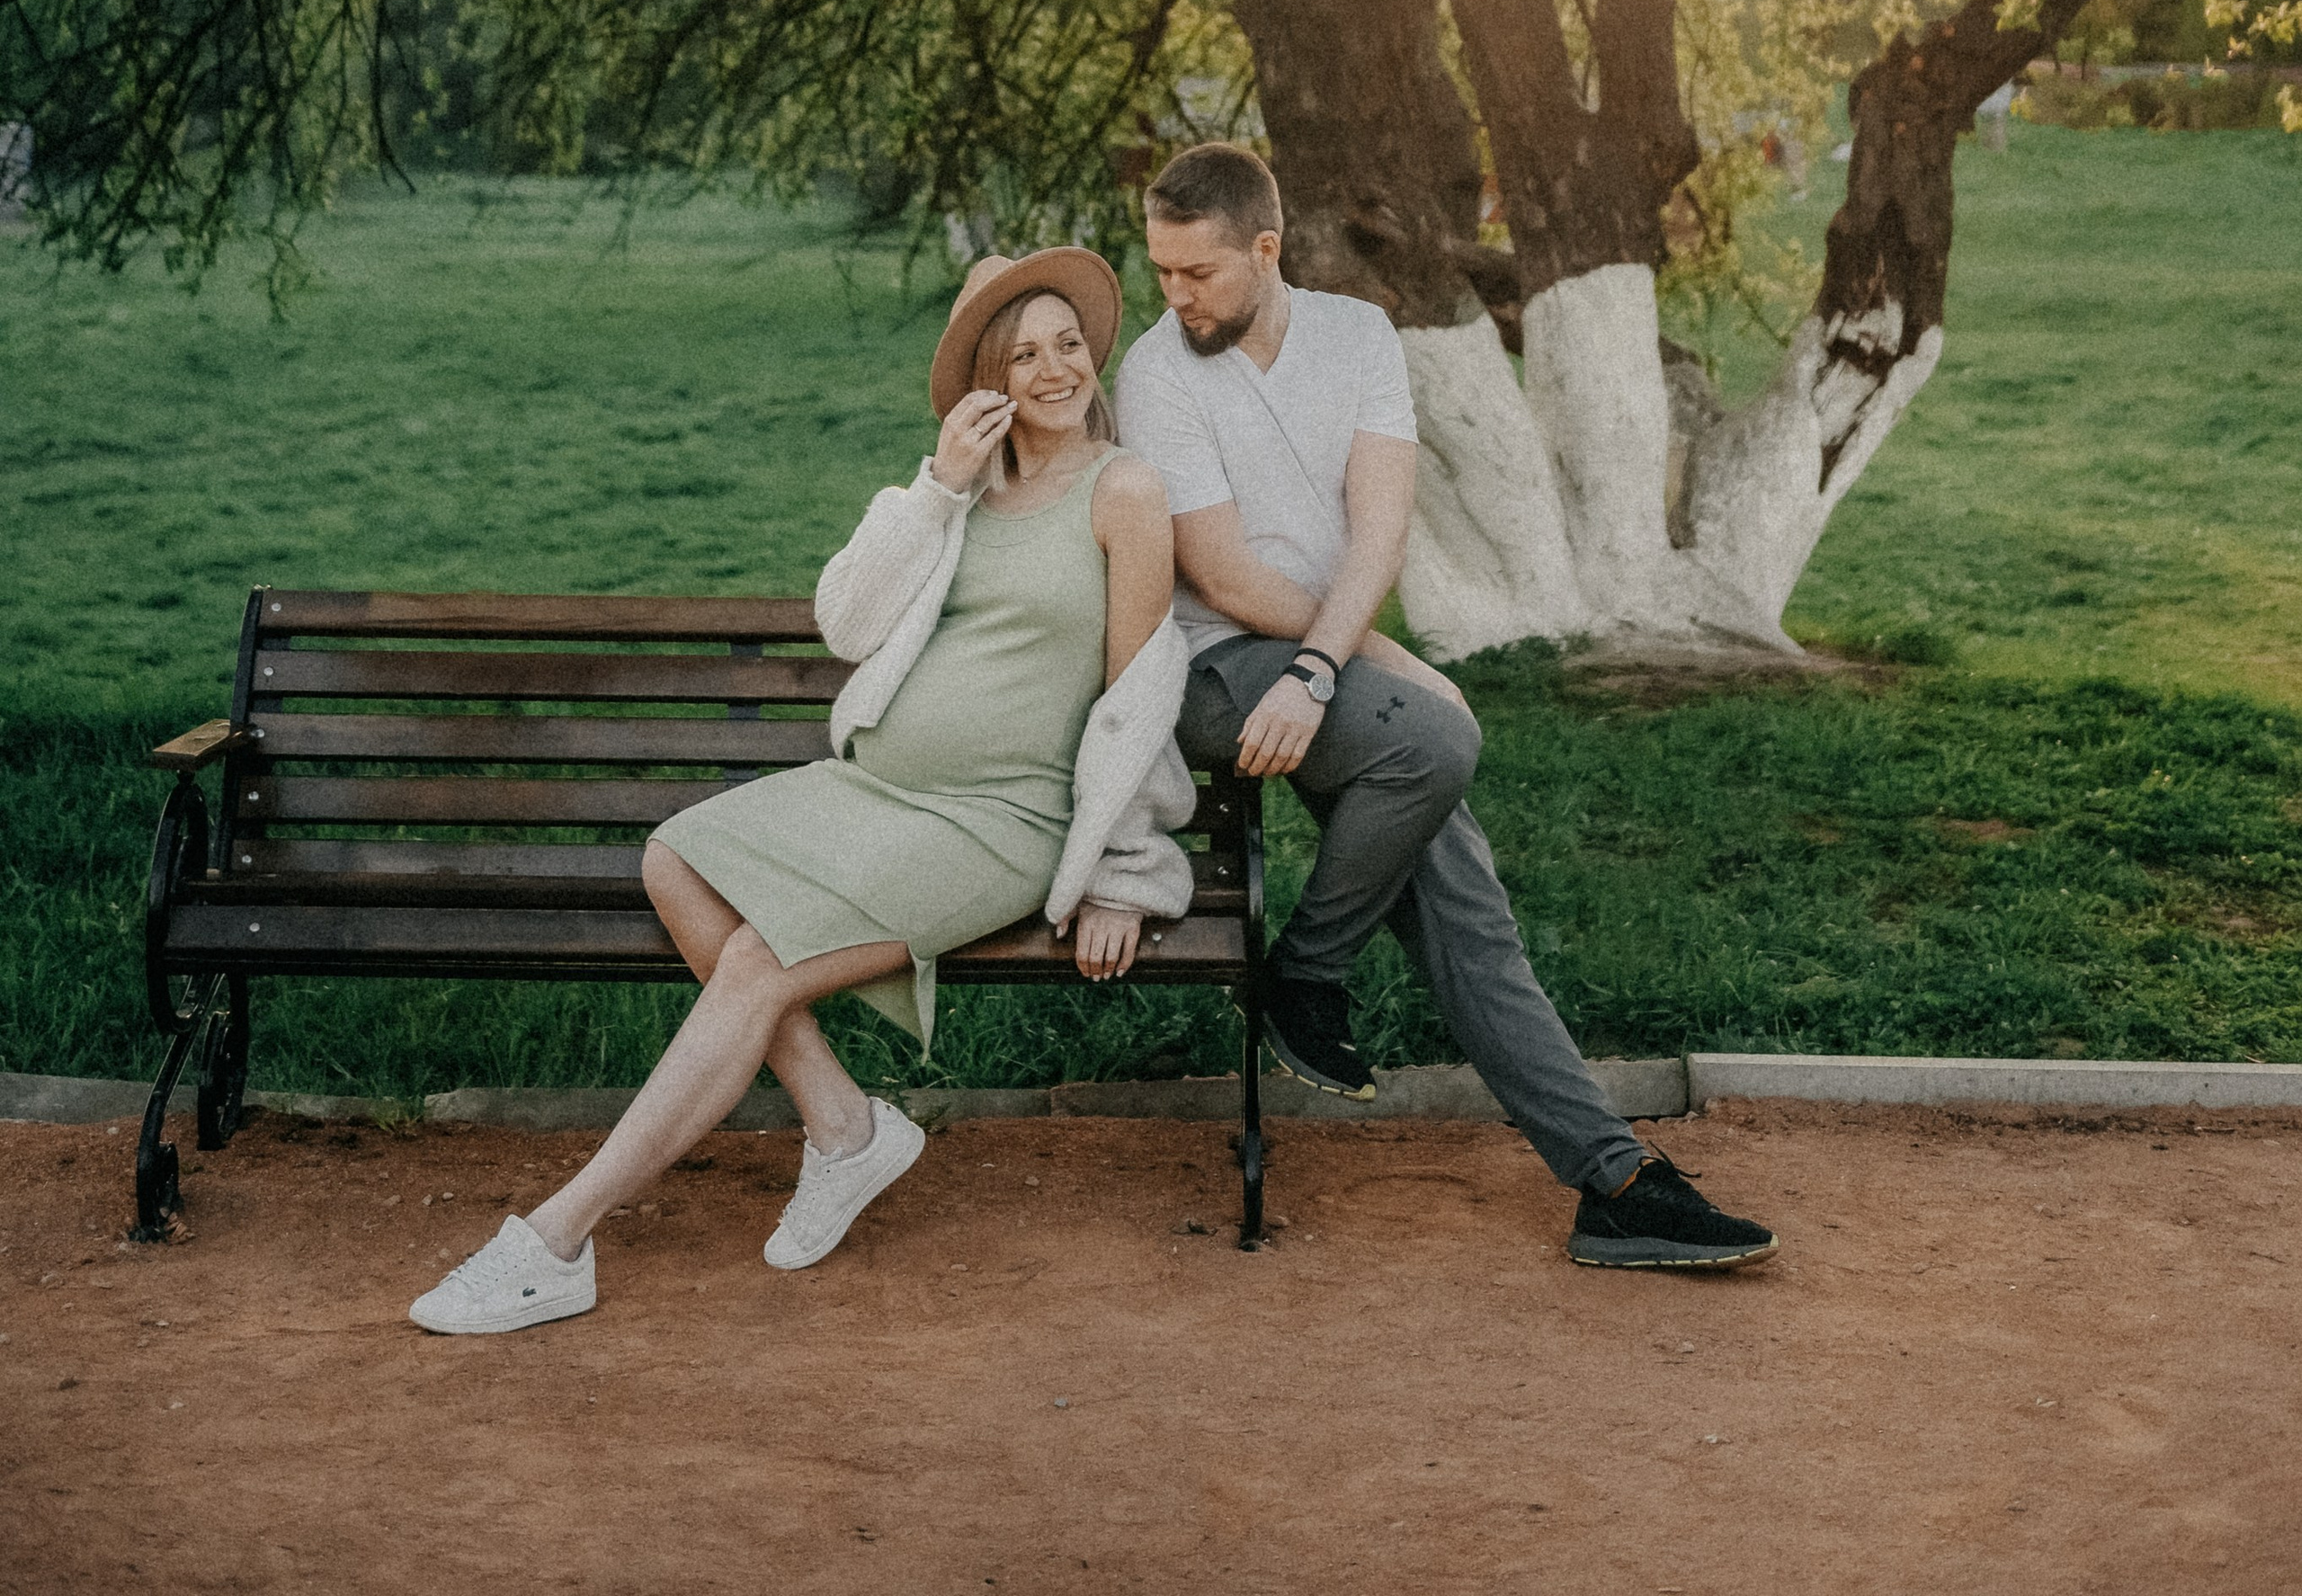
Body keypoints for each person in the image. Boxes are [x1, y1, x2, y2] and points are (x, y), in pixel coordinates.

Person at [410, 246, 1193, 1333]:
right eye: (1023, 353)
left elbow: (1140, 692)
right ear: (987, 377)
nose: (1054, 368)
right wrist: (936, 486)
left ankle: (556, 1238)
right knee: (676, 855)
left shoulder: (1127, 489)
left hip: (1000, 822)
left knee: (754, 962)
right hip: (871, 790)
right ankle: (843, 1126)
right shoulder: (953, 492)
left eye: (1067, 342)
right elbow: (848, 623)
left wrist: (1124, 873)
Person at [1116, 142, 1777, 1273]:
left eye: (1199, 274)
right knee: (1438, 734)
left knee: (1467, 910)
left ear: (1267, 249)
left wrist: (1331, 662)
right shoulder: (1157, 369)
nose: (1176, 297)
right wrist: (1354, 663)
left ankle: (1613, 1178)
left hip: (1314, 663)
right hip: (1213, 669)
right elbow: (1221, 576)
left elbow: (1381, 528)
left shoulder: (1357, 339)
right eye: (1161, 271)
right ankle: (1307, 979)